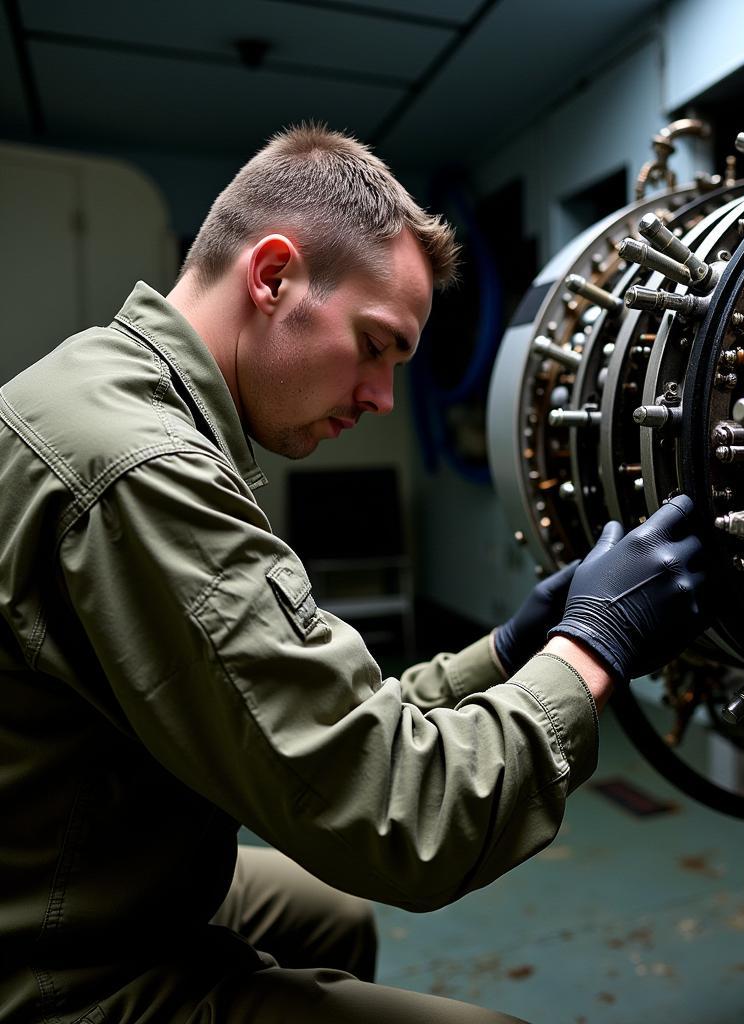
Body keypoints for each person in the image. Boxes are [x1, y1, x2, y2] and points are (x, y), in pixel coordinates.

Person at [0, 124, 706, 1023]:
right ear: (272, 277)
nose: (380, 399)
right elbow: (406, 821)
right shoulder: (142, 470)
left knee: (325, 914)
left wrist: (509, 650)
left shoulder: (112, 387)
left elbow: (319, 720)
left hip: (93, 856)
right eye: (375, 346)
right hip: (56, 969)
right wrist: (595, 647)